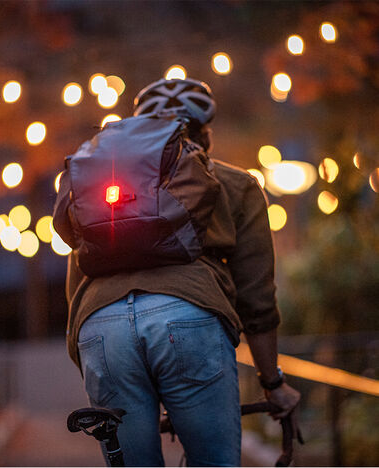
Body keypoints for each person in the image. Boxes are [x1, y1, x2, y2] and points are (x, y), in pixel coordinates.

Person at [56, 78, 300, 467]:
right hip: (188, 317)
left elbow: (76, 287)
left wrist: (98, 362)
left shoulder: (102, 184)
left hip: (101, 326)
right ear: (208, 135)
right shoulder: (235, 183)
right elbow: (256, 298)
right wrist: (273, 383)